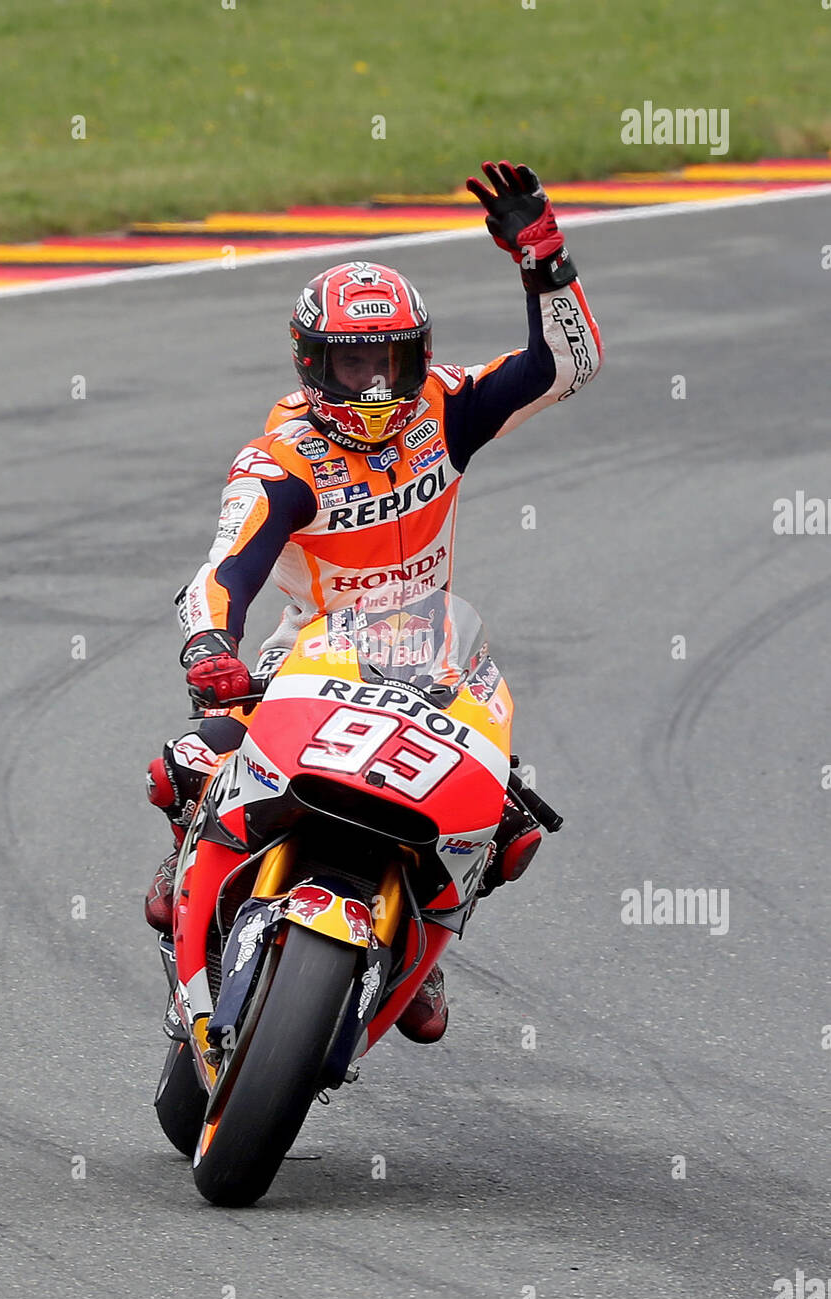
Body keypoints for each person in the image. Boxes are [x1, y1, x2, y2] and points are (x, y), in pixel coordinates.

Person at [145, 160, 603, 1043]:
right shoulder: (280, 458)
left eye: (389, 361)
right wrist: (207, 645)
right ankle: (185, 858)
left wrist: (543, 258)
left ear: (418, 356)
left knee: (507, 831)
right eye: (352, 364)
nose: (373, 385)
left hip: (430, 650)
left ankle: (417, 941)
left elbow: (567, 366)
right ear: (311, 363)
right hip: (305, 650)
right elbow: (222, 567)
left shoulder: (446, 409)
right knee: (190, 760)